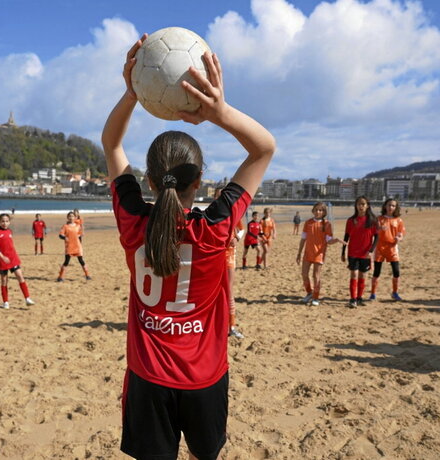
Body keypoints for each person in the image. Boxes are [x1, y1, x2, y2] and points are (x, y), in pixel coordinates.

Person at [101, 35, 275, 460]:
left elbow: (111, 144)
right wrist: (218, 112)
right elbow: (263, 148)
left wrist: (131, 92)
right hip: (204, 377)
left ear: (149, 181)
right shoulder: (215, 228)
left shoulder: (132, 219)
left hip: (148, 377)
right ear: (199, 182)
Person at [215, 187, 246, 339]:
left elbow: (241, 229)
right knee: (213, 292)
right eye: (218, 195)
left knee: (228, 291)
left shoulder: (234, 213)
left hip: (229, 257)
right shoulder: (211, 214)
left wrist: (237, 238)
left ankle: (231, 326)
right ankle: (215, 325)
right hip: (214, 257)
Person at [296, 202, 341, 306]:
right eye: (316, 209)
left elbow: (329, 240)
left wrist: (336, 240)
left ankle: (316, 297)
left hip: (319, 254)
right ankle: (309, 293)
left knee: (316, 276)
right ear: (313, 210)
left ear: (324, 212)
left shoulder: (327, 224)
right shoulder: (308, 223)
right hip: (307, 253)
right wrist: (299, 253)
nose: (317, 212)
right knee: (304, 274)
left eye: (320, 210)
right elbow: (303, 239)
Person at [341, 196, 379, 308]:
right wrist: (343, 252)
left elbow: (377, 237)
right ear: (355, 206)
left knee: (363, 275)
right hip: (352, 252)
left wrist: (371, 251)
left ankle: (359, 298)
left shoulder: (372, 220)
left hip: (365, 253)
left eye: (363, 204)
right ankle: (352, 299)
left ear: (367, 205)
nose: (361, 206)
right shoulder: (351, 220)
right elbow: (346, 237)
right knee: (354, 274)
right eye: (358, 204)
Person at [0, 213, 34, 309]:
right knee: (4, 281)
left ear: (9, 222)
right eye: (3, 221)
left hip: (13, 258)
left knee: (20, 276)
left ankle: (27, 298)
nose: (5, 223)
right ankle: (5, 302)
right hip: (3, 260)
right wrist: (1, 257)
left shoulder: (10, 231)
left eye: (7, 221)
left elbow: (9, 245)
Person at [370, 198, 405, 301]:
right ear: (385, 206)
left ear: (396, 208)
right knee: (377, 272)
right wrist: (379, 229)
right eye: (389, 205)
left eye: (393, 206)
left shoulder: (398, 220)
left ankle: (395, 292)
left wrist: (399, 238)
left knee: (396, 271)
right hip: (380, 248)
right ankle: (373, 293)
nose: (391, 207)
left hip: (392, 248)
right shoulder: (379, 219)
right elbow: (372, 231)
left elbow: (401, 233)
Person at [57, 211, 90, 281]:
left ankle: (87, 275)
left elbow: (80, 235)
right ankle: (60, 277)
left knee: (81, 261)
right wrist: (64, 237)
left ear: (75, 218)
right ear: (67, 218)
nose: (71, 217)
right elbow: (60, 235)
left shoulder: (78, 226)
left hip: (77, 246)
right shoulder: (65, 226)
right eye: (69, 216)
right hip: (69, 246)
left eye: (72, 216)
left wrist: (80, 242)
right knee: (66, 261)